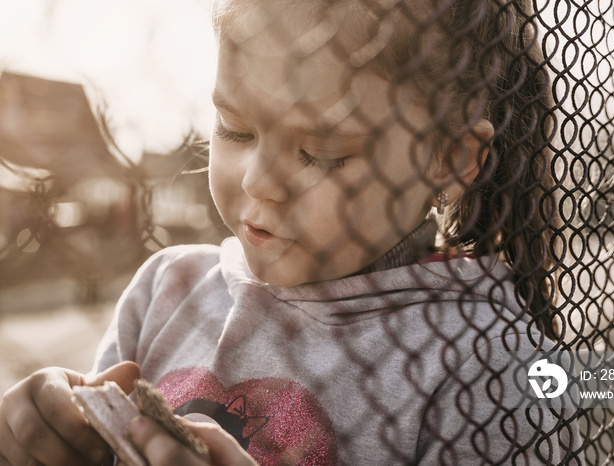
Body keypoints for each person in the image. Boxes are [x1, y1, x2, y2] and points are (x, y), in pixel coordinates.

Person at [0, 0, 582, 464]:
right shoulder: (166, 291)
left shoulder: (486, 367)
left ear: (448, 160)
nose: (259, 182)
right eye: (235, 130)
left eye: (322, 153)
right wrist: (47, 436)